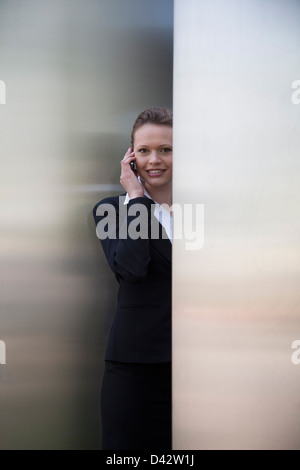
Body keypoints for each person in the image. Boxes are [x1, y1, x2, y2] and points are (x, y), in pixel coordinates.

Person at [93, 107, 172, 450]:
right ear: (131, 158)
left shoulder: (204, 209)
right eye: (144, 150)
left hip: (197, 366)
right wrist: (137, 200)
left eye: (166, 149)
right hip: (134, 368)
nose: (154, 159)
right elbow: (131, 270)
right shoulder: (111, 209)